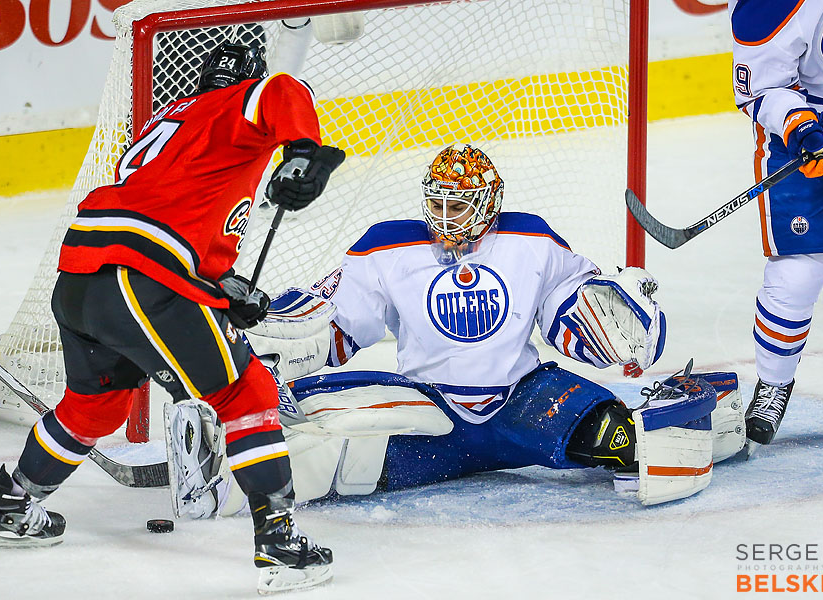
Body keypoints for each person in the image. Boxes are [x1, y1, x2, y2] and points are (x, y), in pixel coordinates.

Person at [0, 41, 344, 594]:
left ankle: (11, 505)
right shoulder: (242, 102)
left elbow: (172, 212)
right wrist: (306, 151)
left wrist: (218, 292)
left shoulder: (168, 123)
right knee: (246, 393)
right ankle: (280, 544)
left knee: (95, 407)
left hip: (80, 275)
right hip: (141, 275)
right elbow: (281, 90)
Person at [236, 144, 746, 508]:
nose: (444, 217)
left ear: (486, 204)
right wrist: (276, 329)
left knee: (625, 441)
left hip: (525, 401)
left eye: (456, 206)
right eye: (436, 204)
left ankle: (715, 417)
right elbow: (336, 324)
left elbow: (571, 316)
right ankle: (231, 456)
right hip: (428, 406)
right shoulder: (386, 248)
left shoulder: (532, 241)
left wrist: (620, 321)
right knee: (331, 452)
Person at [730, 0, 823, 449]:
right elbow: (761, 88)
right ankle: (773, 384)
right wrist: (799, 125)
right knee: (797, 274)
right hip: (802, 135)